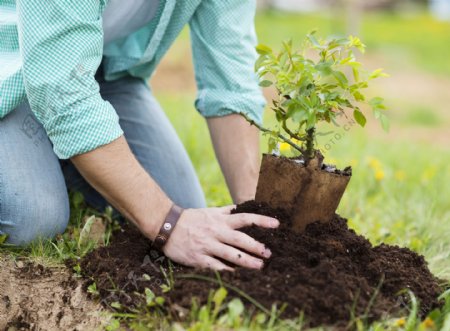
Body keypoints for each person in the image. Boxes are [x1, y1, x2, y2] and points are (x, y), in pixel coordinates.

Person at [0, 0, 280, 271]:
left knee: (183, 207)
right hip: (13, 64)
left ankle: (62, 151)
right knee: (31, 219)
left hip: (104, 72)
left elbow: (231, 79)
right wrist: (168, 225)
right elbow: (61, 90)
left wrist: (257, 218)